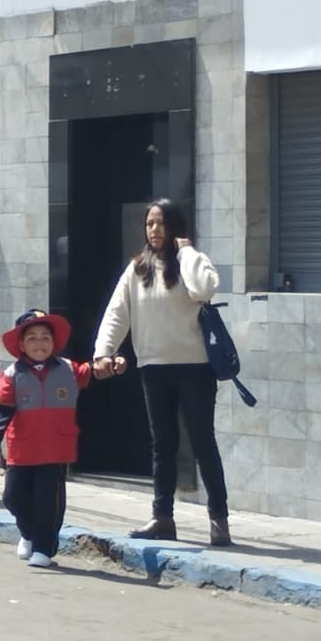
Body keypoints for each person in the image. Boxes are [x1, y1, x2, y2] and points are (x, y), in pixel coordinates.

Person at [93, 198, 228, 545]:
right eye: (150, 224)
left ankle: (219, 519)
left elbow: (205, 288)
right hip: (154, 368)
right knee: (163, 445)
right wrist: (102, 352)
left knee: (202, 442)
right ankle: (162, 517)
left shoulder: (190, 263)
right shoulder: (137, 269)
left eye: (161, 223)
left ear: (175, 227)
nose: (154, 230)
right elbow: (116, 314)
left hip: (195, 369)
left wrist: (186, 253)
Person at [0, 309, 121, 567]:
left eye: (45, 337)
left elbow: (93, 371)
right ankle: (28, 532)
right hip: (22, 449)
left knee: (48, 501)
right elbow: (1, 409)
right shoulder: (12, 374)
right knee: (13, 497)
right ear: (22, 345)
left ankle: (44, 549)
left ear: (54, 342)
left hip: (55, 450)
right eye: (33, 338)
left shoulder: (68, 369)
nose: (40, 343)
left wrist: (112, 365)